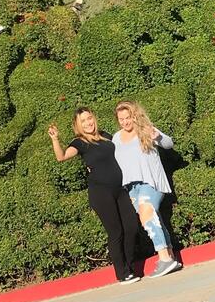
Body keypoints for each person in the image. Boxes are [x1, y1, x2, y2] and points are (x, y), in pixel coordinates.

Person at [48, 107, 140, 285]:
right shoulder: (79, 142)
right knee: (116, 232)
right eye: (83, 121)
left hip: (120, 189)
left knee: (131, 227)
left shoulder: (106, 136)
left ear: (94, 118)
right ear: (78, 125)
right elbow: (62, 157)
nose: (88, 123)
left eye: (89, 118)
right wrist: (55, 139)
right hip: (101, 192)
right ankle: (122, 274)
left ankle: (129, 267)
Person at [113, 100, 181, 278]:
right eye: (121, 119)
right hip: (131, 187)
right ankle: (170, 257)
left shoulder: (145, 129)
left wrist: (156, 136)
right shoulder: (116, 138)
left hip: (150, 182)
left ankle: (164, 259)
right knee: (152, 218)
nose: (125, 122)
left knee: (147, 215)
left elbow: (169, 143)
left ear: (134, 115)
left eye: (128, 117)